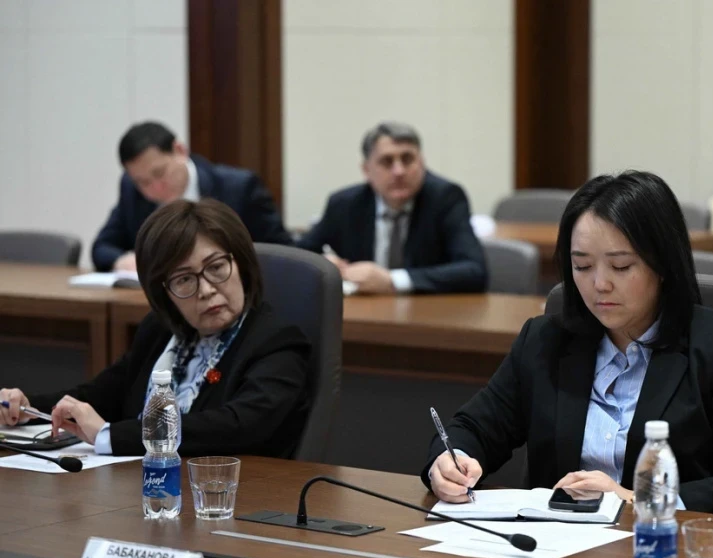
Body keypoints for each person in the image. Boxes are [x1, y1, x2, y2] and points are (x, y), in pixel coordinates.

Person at [422, 171, 713, 519]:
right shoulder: (545, 341)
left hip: (663, 547)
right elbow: (474, 427)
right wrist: (450, 461)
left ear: (663, 264)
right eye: (582, 267)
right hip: (556, 550)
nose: (599, 284)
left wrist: (636, 499)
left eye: (621, 266)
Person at [1, 199, 312, 458]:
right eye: (184, 279)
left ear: (241, 265)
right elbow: (102, 394)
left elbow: (237, 426)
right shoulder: (161, 331)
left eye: (216, 267)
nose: (206, 290)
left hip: (230, 496)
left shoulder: (276, 342)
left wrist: (110, 435)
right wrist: (28, 408)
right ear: (164, 293)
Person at [296, 122, 487, 294]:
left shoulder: (445, 198)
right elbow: (298, 255)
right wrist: (322, 263)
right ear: (366, 170)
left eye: (407, 159)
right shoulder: (344, 204)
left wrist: (392, 280)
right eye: (387, 162)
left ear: (422, 163)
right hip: (363, 312)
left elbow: (474, 270)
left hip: (428, 311)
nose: (399, 171)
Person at [92, 121, 292, 272]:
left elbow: (282, 253)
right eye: (143, 182)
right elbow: (102, 247)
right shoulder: (131, 190)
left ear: (180, 151)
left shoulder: (238, 188)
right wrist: (122, 260)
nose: (155, 187)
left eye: (159, 173)